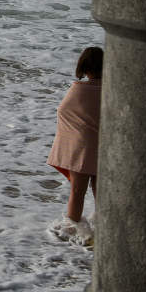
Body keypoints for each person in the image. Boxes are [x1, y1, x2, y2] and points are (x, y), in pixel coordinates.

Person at [47, 46, 103, 245]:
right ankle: (106, 229)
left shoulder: (79, 88)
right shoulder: (113, 89)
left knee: (77, 192)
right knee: (101, 192)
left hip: (82, 148)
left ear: (84, 67)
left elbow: (63, 111)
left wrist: (80, 131)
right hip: (105, 147)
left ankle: (72, 233)